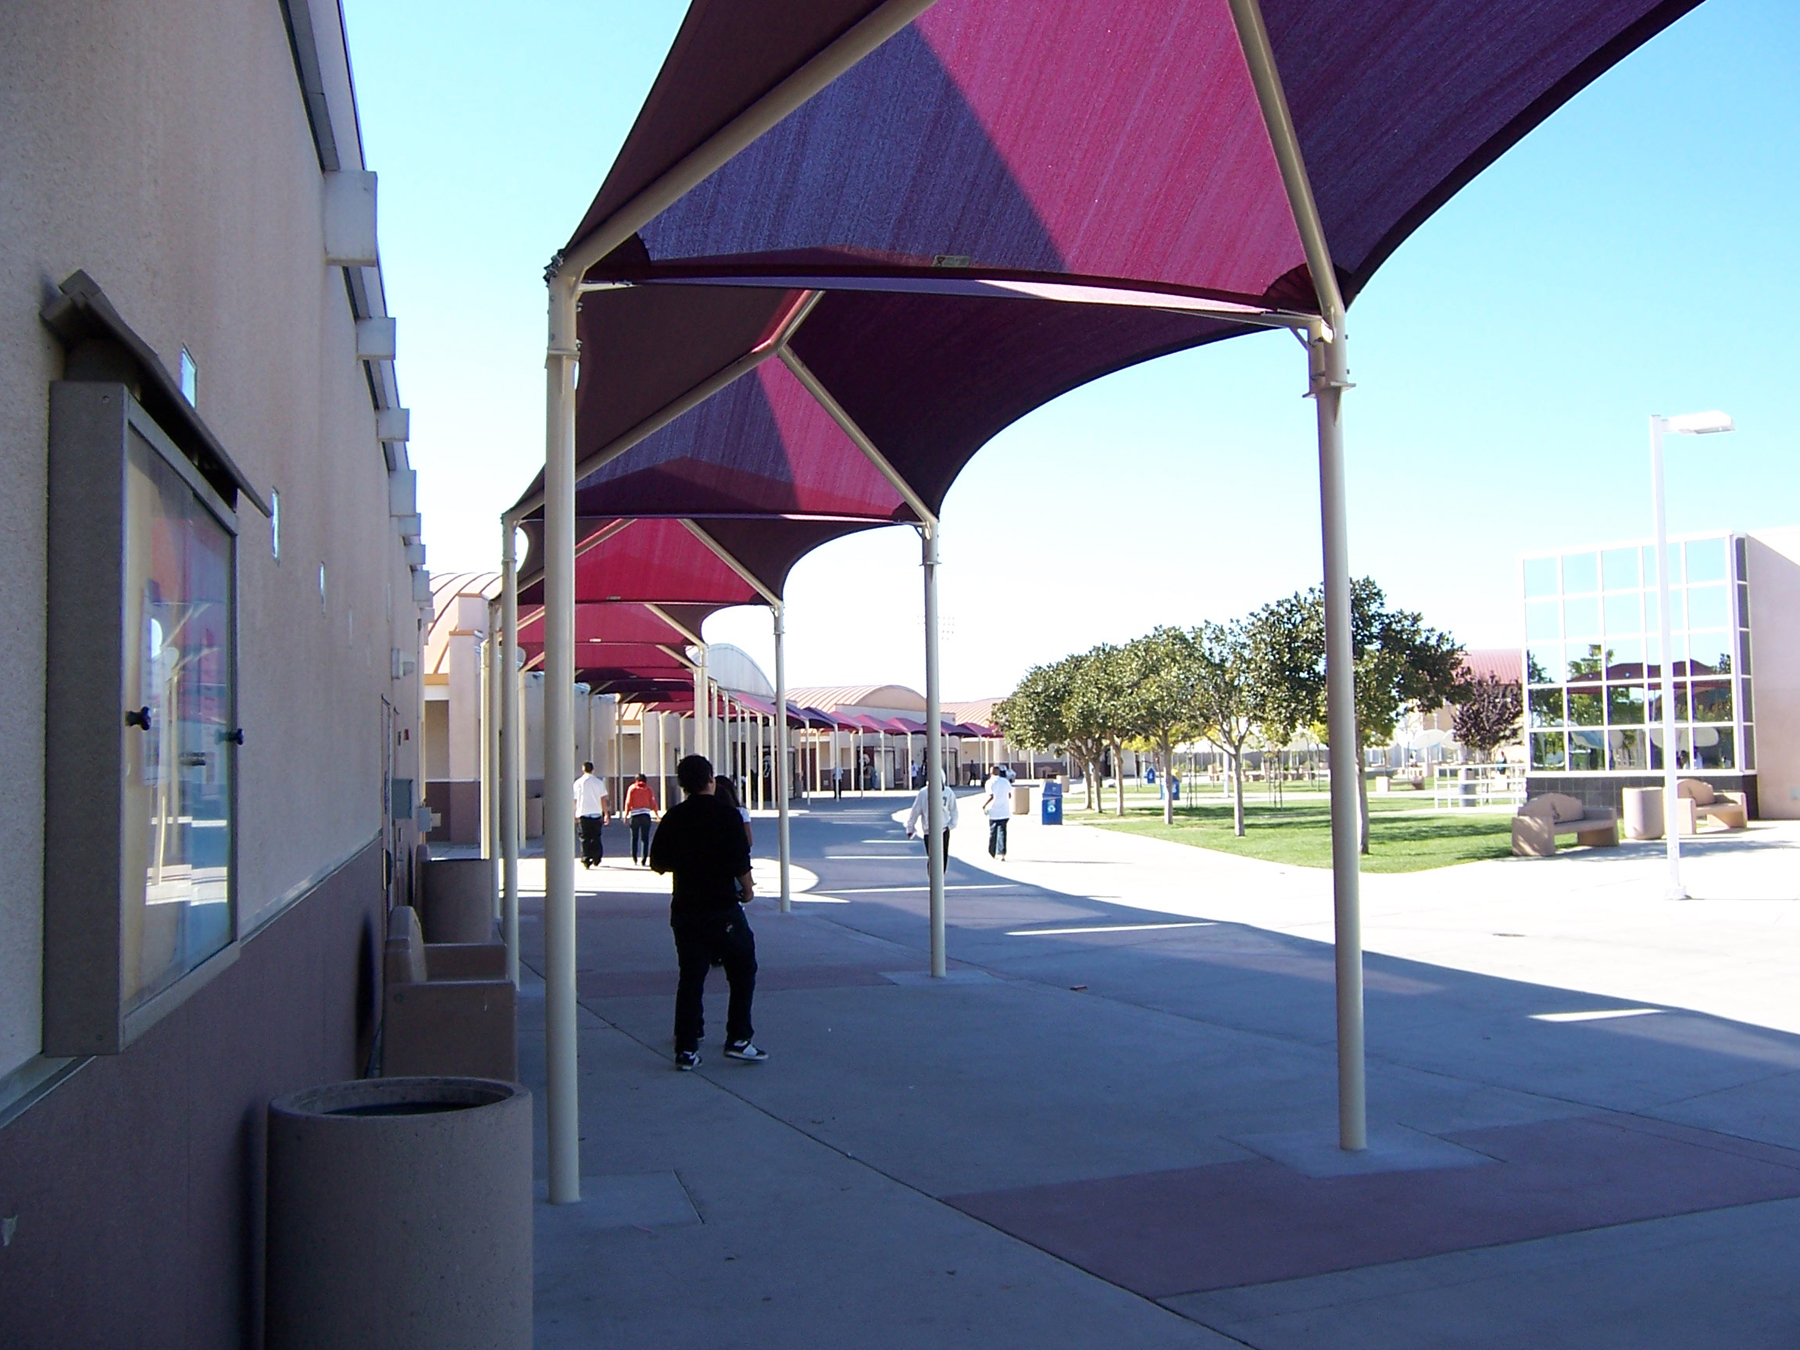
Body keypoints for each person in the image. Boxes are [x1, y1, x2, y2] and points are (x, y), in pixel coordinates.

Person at [649, 755, 765, 1070]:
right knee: (743, 968)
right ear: (711, 780)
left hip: (686, 907)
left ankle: (686, 1048)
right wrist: (748, 889)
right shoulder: (727, 816)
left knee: (691, 976)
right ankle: (738, 1037)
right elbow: (741, 860)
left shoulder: (675, 817)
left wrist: (687, 861)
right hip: (722, 907)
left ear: (682, 784)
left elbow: (658, 862)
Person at [905, 775, 958, 863]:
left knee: (943, 860)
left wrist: (951, 825)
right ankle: (931, 871)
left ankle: (941, 871)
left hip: (943, 830)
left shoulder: (948, 792)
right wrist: (910, 827)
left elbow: (954, 810)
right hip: (929, 831)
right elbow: (915, 811)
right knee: (933, 860)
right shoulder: (924, 793)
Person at [573, 761, 610, 868]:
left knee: (584, 838)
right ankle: (596, 857)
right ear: (593, 770)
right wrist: (606, 813)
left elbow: (575, 800)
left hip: (583, 813)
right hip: (596, 813)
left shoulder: (578, 783)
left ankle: (586, 858)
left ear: (583, 769)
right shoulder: (599, 783)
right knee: (596, 836)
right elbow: (603, 799)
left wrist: (574, 813)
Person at [623, 772, 659, 866]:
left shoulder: (632, 788)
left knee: (634, 837)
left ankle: (634, 857)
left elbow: (628, 802)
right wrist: (657, 815)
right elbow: (653, 802)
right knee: (645, 838)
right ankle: (644, 858)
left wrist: (626, 815)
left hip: (635, 815)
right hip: (645, 815)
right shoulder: (648, 789)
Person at [981, 764, 1013, 860]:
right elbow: (1009, 795)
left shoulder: (989, 783)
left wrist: (984, 805)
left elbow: (991, 796)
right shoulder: (1005, 782)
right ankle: (1002, 852)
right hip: (1004, 811)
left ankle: (992, 851)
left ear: (991, 773)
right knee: (1002, 831)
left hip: (994, 811)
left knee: (993, 831)